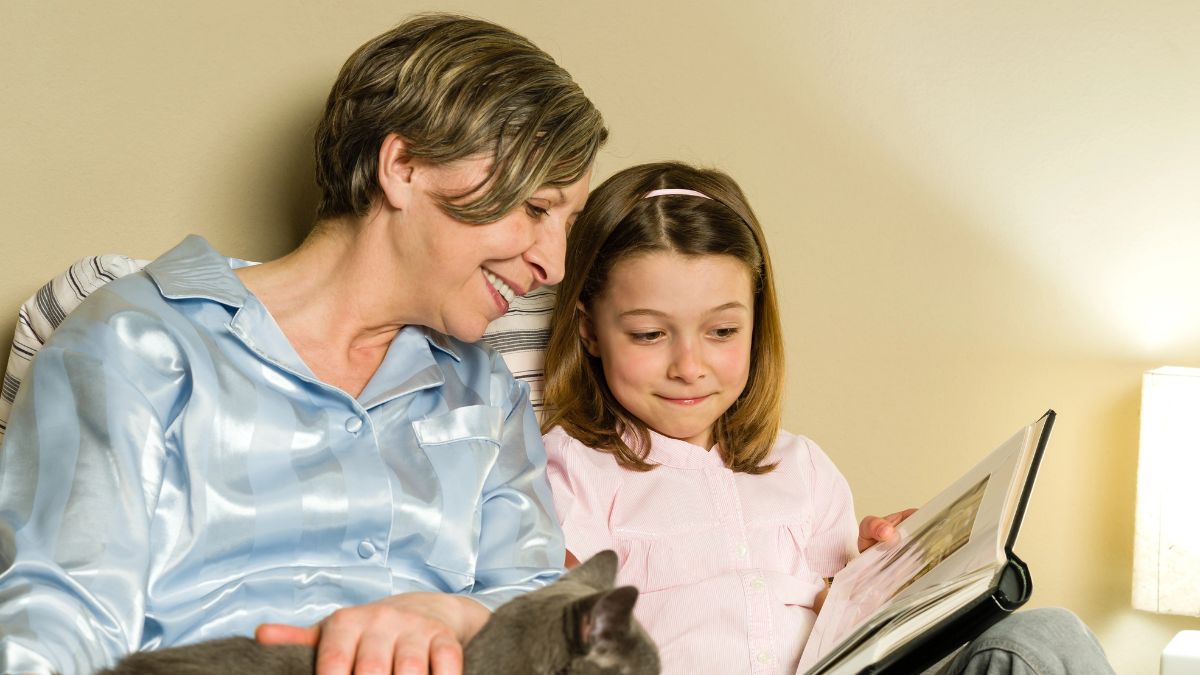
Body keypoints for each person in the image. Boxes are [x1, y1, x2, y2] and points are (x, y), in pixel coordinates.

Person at [0, 13, 605, 675]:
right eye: (537, 209)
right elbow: (59, 618)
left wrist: (456, 615)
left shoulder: (486, 390)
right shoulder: (136, 341)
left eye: (568, 222)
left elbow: (546, 615)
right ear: (402, 166)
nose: (554, 261)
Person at [539, 162, 1115, 675]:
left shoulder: (800, 468)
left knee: (1044, 639)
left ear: (756, 323)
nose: (689, 366)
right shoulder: (572, 469)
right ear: (589, 328)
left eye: (721, 331)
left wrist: (879, 579)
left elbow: (840, 633)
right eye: (649, 334)